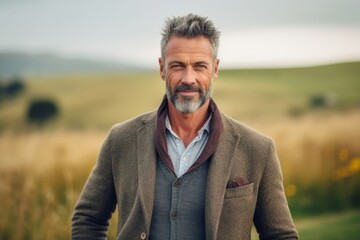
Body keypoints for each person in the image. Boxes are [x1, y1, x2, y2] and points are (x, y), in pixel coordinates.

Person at [72, 13, 299, 240]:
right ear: (162, 68)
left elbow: (281, 235)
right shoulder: (121, 140)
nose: (188, 78)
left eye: (200, 66)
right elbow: (88, 219)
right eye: (178, 66)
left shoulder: (257, 149)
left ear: (215, 69)